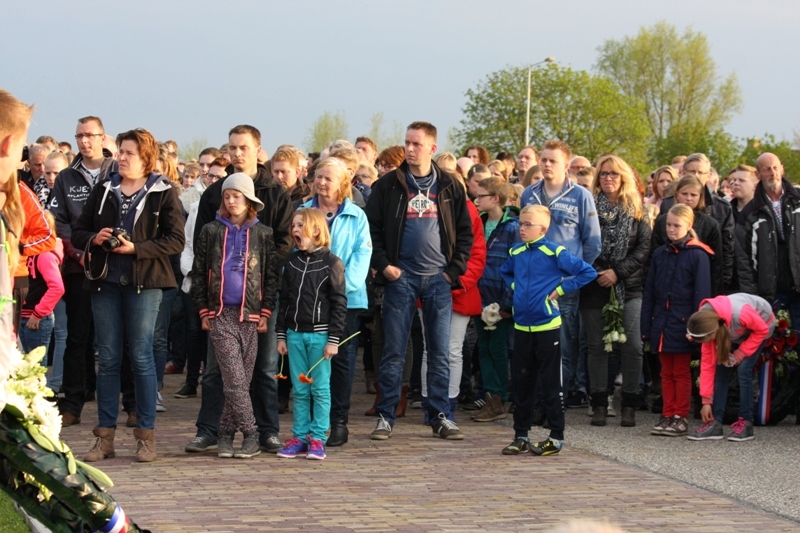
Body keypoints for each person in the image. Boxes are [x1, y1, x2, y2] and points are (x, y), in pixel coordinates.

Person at [73, 128, 185, 463]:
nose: (121, 158)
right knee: (108, 358)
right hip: (105, 283)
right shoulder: (104, 188)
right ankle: (104, 438)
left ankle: (145, 437)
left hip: (144, 283)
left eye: (128, 153)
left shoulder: (163, 191)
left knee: (141, 356)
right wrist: (94, 238)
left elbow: (176, 240)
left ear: (146, 157)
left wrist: (137, 248)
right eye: (120, 151)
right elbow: (78, 231)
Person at [187, 125, 293, 455]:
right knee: (216, 370)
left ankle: (266, 431)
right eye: (232, 147)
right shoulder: (214, 192)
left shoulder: (275, 193)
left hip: (258, 298)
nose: (236, 153)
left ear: (257, 150)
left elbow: (284, 242)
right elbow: (202, 249)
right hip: (220, 303)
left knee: (262, 368)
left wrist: (255, 272)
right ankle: (209, 430)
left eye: (243, 147)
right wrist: (204, 303)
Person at [364, 121, 473, 441]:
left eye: (416, 144)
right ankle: (386, 416)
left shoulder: (450, 185)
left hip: (439, 279)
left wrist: (453, 271)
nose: (409, 149)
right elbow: (372, 230)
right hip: (401, 278)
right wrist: (384, 266)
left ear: (432, 148)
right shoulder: (389, 185)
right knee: (393, 351)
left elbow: (465, 232)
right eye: (407, 143)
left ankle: (440, 416)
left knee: (439, 351)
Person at [191, 173, 277, 459]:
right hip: (220, 314)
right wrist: (203, 309)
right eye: (226, 196)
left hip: (250, 315)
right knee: (234, 379)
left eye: (236, 196)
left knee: (239, 380)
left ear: (248, 200)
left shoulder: (263, 233)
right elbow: (199, 272)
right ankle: (252, 434)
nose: (230, 201)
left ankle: (226, 435)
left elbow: (270, 276)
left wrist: (265, 311)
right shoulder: (210, 231)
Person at [500, 205, 596, 456]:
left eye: (527, 224)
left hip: (547, 326)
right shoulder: (516, 250)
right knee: (522, 383)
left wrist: (560, 290)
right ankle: (521, 435)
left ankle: (555, 436)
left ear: (543, 229)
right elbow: (505, 272)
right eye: (520, 223)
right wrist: (517, 289)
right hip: (521, 326)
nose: (522, 228)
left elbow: (587, 272)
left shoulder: (554, 251)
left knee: (551, 383)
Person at [520, 139, 601, 410]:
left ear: (566, 165)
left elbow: (592, 242)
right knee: (534, 345)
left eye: (552, 160)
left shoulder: (581, 196)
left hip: (563, 286)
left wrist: (573, 278)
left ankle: (556, 401)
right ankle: (537, 400)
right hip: (532, 285)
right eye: (543, 159)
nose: (546, 164)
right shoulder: (528, 194)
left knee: (562, 345)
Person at [48, 116, 117, 427]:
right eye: (79, 136)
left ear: (102, 137)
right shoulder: (66, 177)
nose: (84, 141)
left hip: (115, 264)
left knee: (117, 339)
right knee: (77, 336)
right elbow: (58, 221)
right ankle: (73, 402)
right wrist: (79, 251)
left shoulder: (117, 171)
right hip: (77, 266)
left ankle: (128, 402)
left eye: (90, 135)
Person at [299, 158, 371, 447]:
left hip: (346, 301)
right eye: (319, 176)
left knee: (341, 361)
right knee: (312, 361)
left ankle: (339, 421)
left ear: (342, 183)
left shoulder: (356, 216)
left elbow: (361, 256)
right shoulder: (304, 211)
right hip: (310, 302)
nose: (321, 182)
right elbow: (296, 249)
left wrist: (338, 290)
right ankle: (315, 422)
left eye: (328, 178)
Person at [579, 155, 650, 427]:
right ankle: (599, 402)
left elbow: (643, 248)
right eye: (604, 173)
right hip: (594, 284)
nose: (608, 178)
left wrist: (617, 272)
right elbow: (582, 243)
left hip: (629, 286)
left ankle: (629, 403)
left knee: (632, 346)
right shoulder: (588, 208)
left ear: (624, 178)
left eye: (614, 174)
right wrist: (599, 271)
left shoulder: (638, 209)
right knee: (597, 347)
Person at [276, 208, 347, 460]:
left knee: (320, 389)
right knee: (299, 390)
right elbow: (284, 301)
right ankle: (299, 437)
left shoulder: (332, 263)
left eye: (300, 226)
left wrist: (333, 340)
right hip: (294, 334)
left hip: (320, 336)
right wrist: (281, 335)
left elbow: (339, 303)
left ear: (316, 230)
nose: (295, 230)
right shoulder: (291, 262)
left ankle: (318, 438)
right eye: (293, 226)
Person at [642, 204, 712, 438]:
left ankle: (680, 416)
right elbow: (650, 292)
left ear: (688, 225)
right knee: (665, 372)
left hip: (683, 323)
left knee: (680, 372)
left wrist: (696, 328)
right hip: (662, 322)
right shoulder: (660, 254)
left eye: (676, 226)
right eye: (668, 225)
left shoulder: (698, 255)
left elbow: (701, 296)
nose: (671, 230)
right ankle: (667, 413)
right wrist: (646, 325)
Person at [686, 293, 774, 442]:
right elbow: (707, 366)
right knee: (721, 369)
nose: (707, 343)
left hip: (760, 326)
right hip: (732, 330)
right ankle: (715, 423)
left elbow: (762, 330)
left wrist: (741, 353)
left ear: (714, 332)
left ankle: (746, 422)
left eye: (709, 340)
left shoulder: (740, 313)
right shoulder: (706, 324)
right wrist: (706, 401)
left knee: (743, 369)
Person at [469, 177, 519, 420]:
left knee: (498, 349)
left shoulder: (512, 228)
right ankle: (491, 397)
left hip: (500, 300)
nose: (477, 200)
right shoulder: (478, 221)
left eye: (482, 196)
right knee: (484, 349)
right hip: (479, 297)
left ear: (496, 198)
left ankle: (499, 397)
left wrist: (508, 302)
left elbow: (517, 266)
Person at [736, 153, 800, 326]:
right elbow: (744, 260)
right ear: (758, 174)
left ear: (782, 169)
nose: (773, 173)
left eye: (775, 168)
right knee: (770, 338)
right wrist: (752, 296)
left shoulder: (798, 199)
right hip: (771, 292)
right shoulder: (750, 213)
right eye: (767, 169)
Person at [652, 176, 724, 295]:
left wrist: (716, 295)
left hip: (698, 283)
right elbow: (653, 256)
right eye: (684, 194)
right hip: (666, 283)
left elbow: (717, 264)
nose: (689, 198)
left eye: (693, 195)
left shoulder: (710, 224)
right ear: (677, 195)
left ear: (700, 197)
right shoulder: (663, 221)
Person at [18, 213, 64, 357]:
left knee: (35, 367)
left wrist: (38, 314)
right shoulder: (25, 252)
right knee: (24, 365)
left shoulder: (44, 255)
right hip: (22, 316)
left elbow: (57, 288)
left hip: (36, 320)